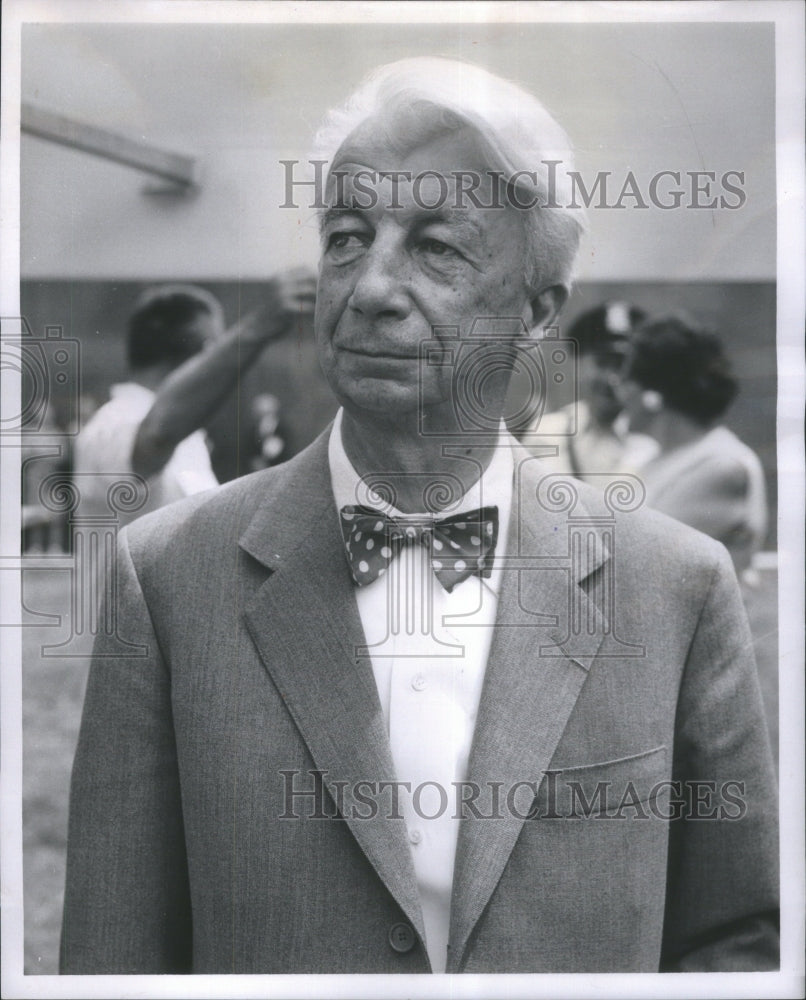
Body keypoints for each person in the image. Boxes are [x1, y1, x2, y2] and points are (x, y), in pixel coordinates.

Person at [60, 58, 778, 975]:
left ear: (537, 311)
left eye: (438, 247)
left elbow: (734, 942)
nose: (368, 289)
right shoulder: (164, 578)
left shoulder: (672, 585)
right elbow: (111, 954)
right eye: (347, 237)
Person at [73, 272, 315, 524]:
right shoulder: (113, 422)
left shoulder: (189, 439)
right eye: (215, 349)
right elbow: (156, 435)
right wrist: (259, 327)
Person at [620, 315, 768, 576]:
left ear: (652, 393)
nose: (620, 391)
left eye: (627, 378)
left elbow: (644, 561)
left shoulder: (722, 466)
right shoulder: (652, 456)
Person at [520, 301, 657, 483]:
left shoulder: (651, 439)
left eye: (621, 365)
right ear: (580, 365)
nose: (611, 378)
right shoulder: (547, 433)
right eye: (602, 363)